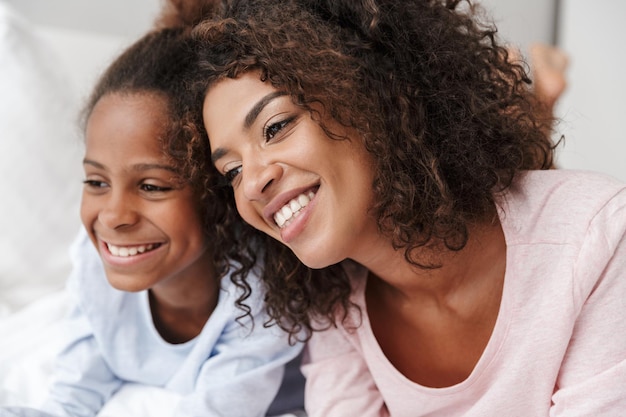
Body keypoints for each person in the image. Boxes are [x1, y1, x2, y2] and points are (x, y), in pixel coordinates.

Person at [188, 0, 626, 415]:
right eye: (232, 171)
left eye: (276, 126)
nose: (253, 183)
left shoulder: (597, 237)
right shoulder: (337, 307)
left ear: (371, 93)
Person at [1, 25, 303, 417]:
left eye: (152, 186)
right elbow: (71, 399)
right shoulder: (95, 267)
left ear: (219, 193)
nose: (113, 216)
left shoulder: (262, 297)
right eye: (96, 181)